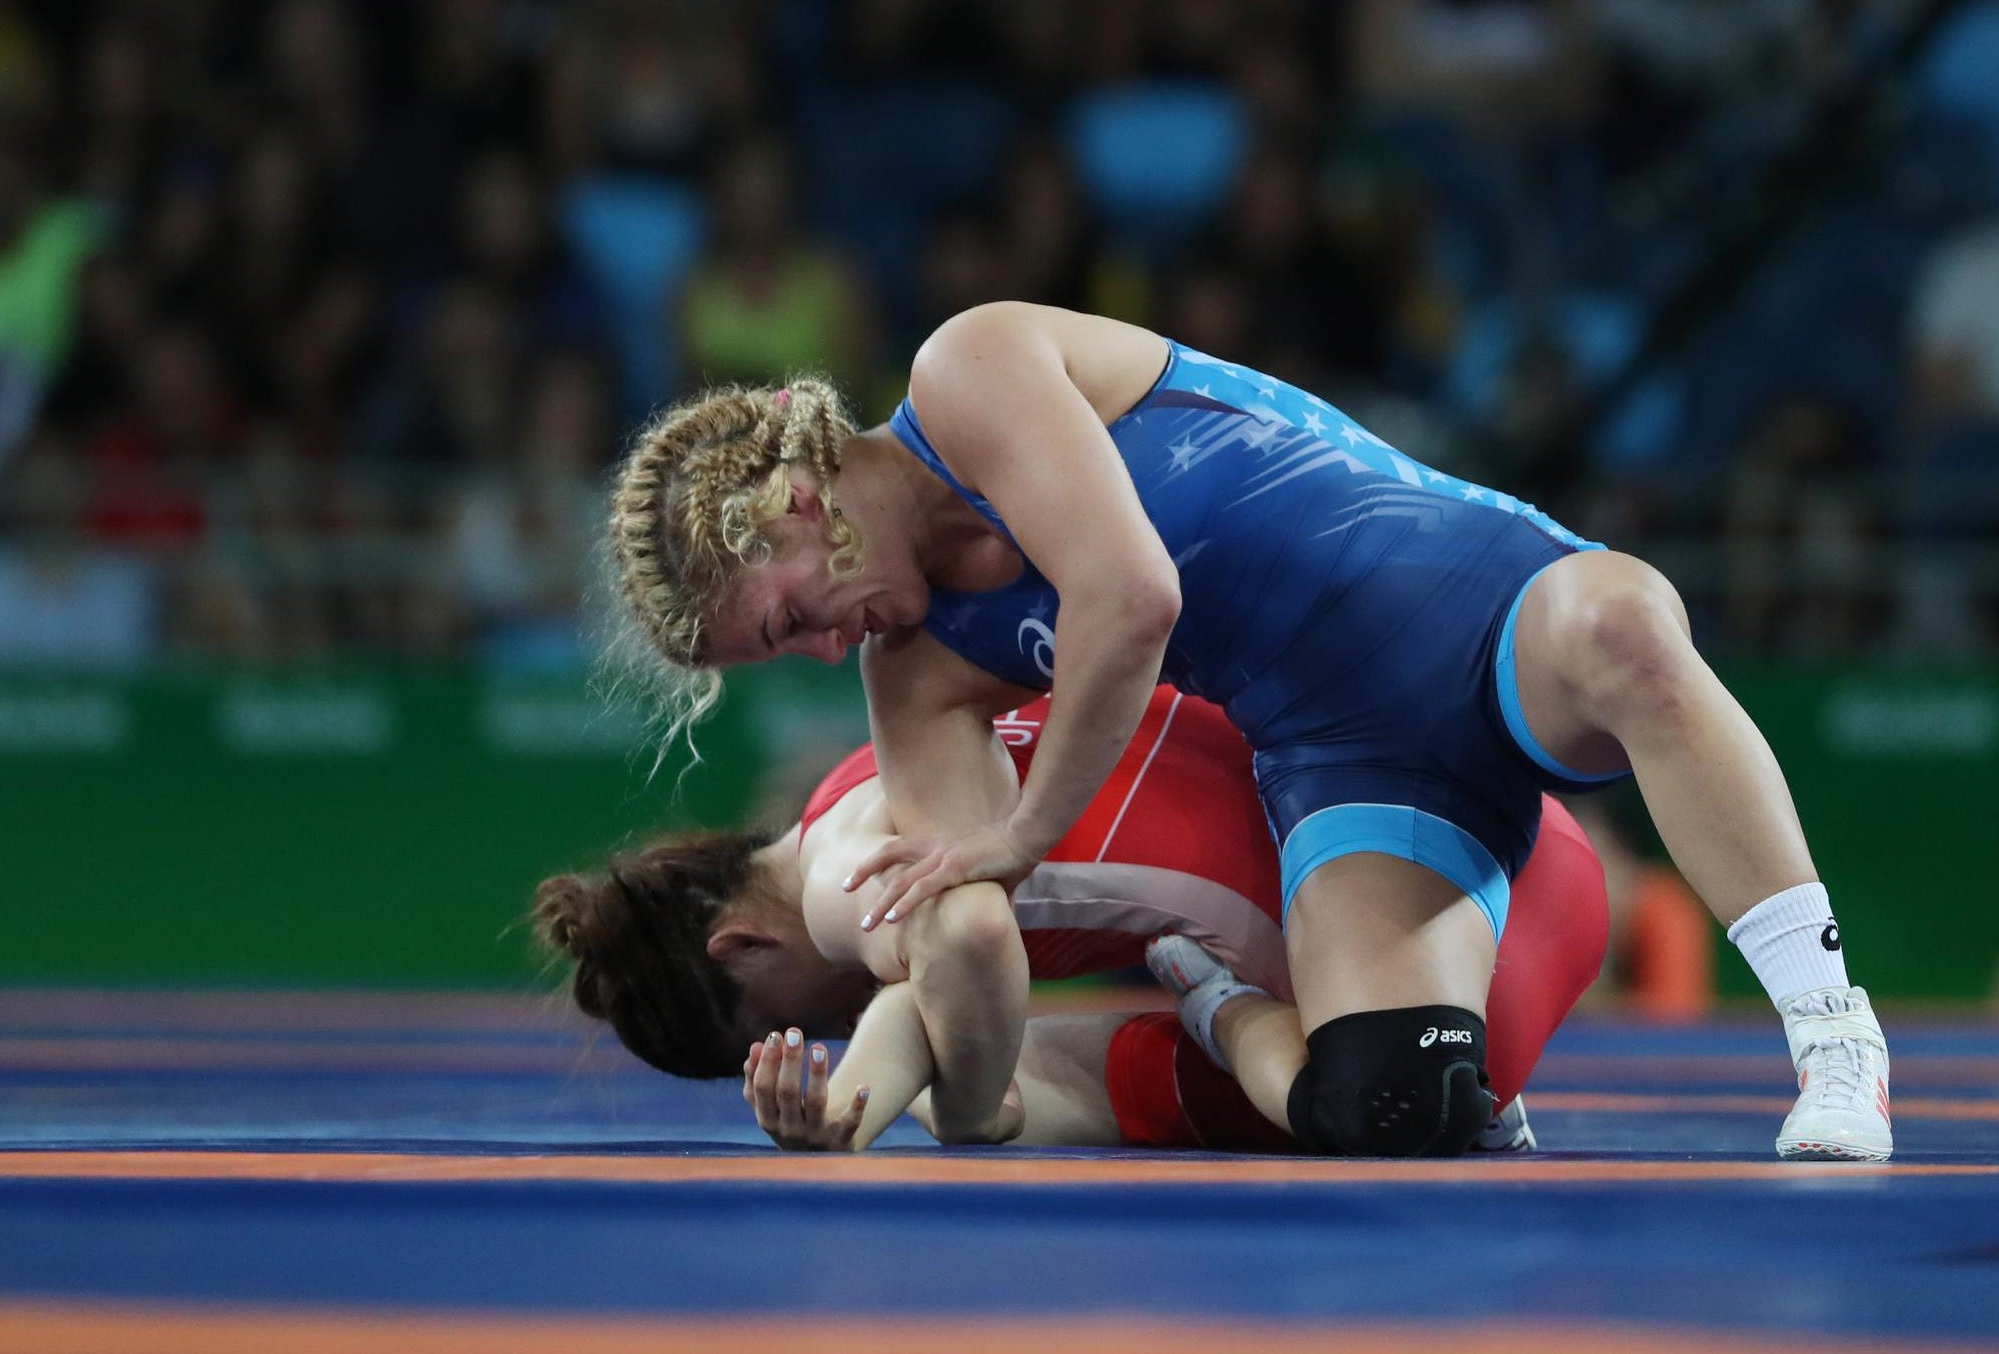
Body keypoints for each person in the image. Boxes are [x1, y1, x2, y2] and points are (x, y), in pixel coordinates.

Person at [602, 301, 1890, 1161]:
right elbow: (966, 930)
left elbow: (1132, 595)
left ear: (791, 501)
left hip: (1468, 598)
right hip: (1349, 761)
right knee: (1391, 1109)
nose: (828, 649)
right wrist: (933, 1099)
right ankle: (1233, 1007)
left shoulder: (967, 372)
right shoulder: (916, 672)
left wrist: (1025, 830)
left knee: (1625, 629)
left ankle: (1834, 1037)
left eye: (786, 622)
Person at [536, 688, 1606, 1154]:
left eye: (790, 1029)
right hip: (1535, 856)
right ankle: (1241, 1008)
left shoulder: (837, 887)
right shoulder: (858, 781)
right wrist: (858, 1109)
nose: (828, 1031)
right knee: (965, 1056)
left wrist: (957, 1113)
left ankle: (1226, 1013)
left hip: (1451, 1004)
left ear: (741, 944)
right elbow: (924, 988)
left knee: (989, 1086)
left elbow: (966, 941)